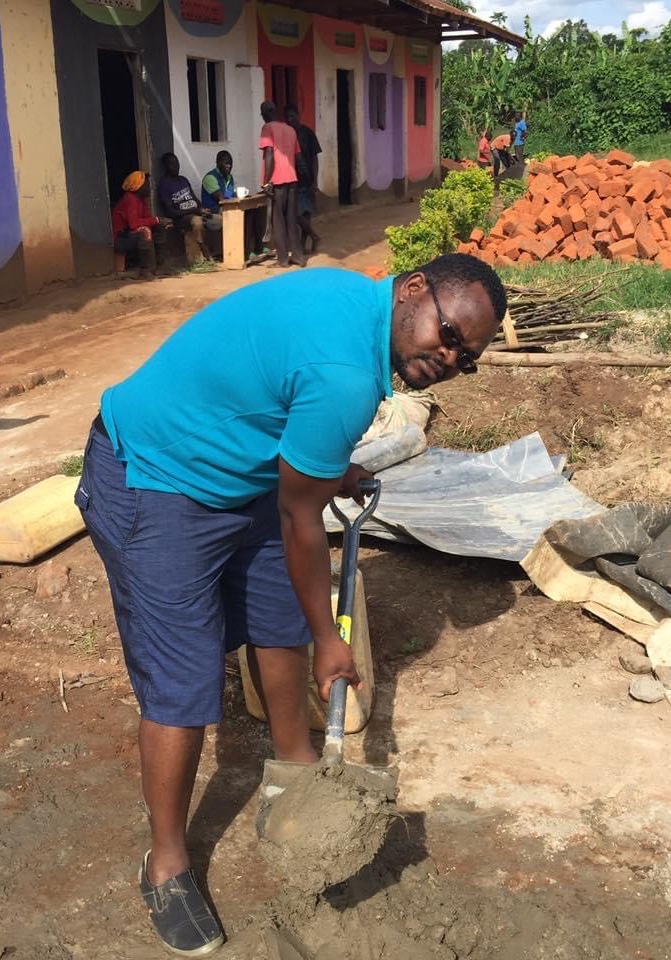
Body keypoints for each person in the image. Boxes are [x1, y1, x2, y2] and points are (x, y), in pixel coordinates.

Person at [75, 253, 506, 956]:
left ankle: (296, 767)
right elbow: (301, 519)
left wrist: (325, 466)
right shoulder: (346, 373)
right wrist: (331, 639)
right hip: (154, 475)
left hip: (236, 474)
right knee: (183, 681)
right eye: (450, 334)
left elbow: (284, 414)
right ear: (415, 289)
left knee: (278, 623)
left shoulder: (356, 303)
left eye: (468, 358)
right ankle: (166, 863)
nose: (450, 358)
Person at [200, 150, 270, 263]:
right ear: (218, 163)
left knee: (256, 209)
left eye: (230, 164)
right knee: (245, 214)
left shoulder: (229, 177)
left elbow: (230, 196)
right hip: (212, 213)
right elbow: (222, 199)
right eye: (226, 163)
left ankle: (259, 246)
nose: (229, 166)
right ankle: (246, 251)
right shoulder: (210, 178)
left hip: (226, 209)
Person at [258, 100, 304, 268]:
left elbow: (269, 154)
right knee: (291, 219)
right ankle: (299, 256)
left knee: (277, 221)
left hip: (277, 181)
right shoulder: (290, 129)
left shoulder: (267, 128)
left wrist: (266, 182)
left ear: (265, 114)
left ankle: (283, 259)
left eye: (262, 114)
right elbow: (298, 157)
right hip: (292, 178)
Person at [158, 152, 210, 266]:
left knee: (219, 220)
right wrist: (194, 211)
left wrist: (202, 209)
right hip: (182, 217)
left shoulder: (183, 180)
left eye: (177, 162)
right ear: (166, 166)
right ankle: (203, 247)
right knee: (198, 222)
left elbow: (194, 198)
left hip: (196, 212)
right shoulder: (164, 184)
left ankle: (220, 253)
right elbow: (170, 212)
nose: (176, 166)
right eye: (171, 164)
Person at [111, 171, 166, 278]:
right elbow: (133, 224)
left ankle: (160, 267)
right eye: (146, 184)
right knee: (145, 232)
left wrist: (159, 221)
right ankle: (145, 270)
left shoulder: (140, 200)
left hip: (130, 234)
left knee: (159, 227)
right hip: (120, 238)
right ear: (137, 186)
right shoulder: (130, 198)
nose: (149, 188)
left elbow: (147, 219)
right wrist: (157, 220)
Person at [285, 104, 322, 255]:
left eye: (292, 116)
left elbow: (315, 159)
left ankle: (303, 244)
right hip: (293, 180)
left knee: (306, 214)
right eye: (287, 117)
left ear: (298, 116)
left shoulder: (308, 133)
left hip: (307, 179)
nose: (290, 120)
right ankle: (314, 236)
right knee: (295, 213)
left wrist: (315, 180)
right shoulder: (287, 135)